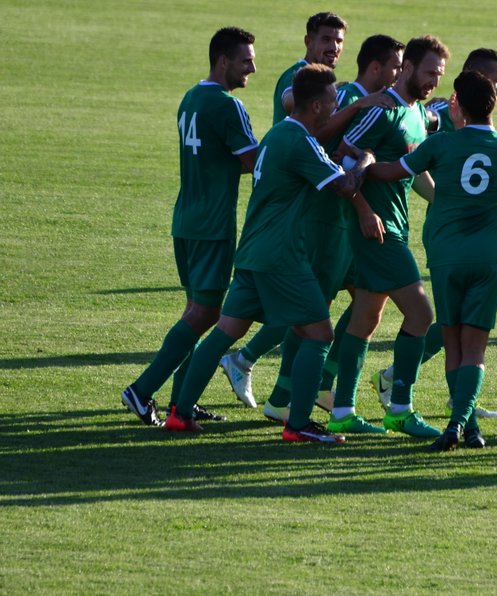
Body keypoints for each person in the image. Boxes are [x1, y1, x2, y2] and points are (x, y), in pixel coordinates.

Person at [164, 64, 385, 444]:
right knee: (319, 334)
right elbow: (345, 186)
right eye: (333, 101)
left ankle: (179, 413)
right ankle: (298, 424)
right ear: (316, 105)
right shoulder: (300, 142)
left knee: (223, 333)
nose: (336, 107)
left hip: (252, 251)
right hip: (281, 256)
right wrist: (366, 160)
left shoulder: (276, 135)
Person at [218, 29, 398, 411]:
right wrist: (364, 198)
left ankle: (297, 385)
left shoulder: (343, 92)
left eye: (339, 41)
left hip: (320, 216)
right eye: (327, 39)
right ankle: (294, 393)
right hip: (316, 217)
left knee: (356, 300)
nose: (334, 47)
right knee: (313, 308)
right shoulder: (313, 84)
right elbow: (305, 119)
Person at [367, 70, 497, 450]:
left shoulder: (440, 147)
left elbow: (389, 173)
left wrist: (364, 162)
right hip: (487, 256)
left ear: (456, 103)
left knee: (452, 344)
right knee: (475, 350)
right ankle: (464, 426)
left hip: (447, 255)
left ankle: (460, 427)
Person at [120, 27, 258, 426]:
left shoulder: (190, 98)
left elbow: (217, 154)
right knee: (205, 314)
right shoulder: (227, 106)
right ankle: (142, 390)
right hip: (213, 225)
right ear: (223, 61)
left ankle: (184, 398)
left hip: (186, 219)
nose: (253, 66)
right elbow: (253, 162)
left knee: (196, 311)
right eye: (246, 60)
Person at [327, 36, 450, 438]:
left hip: (394, 225)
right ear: (408, 67)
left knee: (365, 318)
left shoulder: (417, 113)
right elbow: (341, 161)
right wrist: (363, 208)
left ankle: (342, 410)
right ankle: (400, 408)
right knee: (422, 314)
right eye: (430, 71)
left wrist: (446, 202)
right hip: (376, 230)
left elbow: (412, 171)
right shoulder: (382, 109)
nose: (434, 80)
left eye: (440, 75)